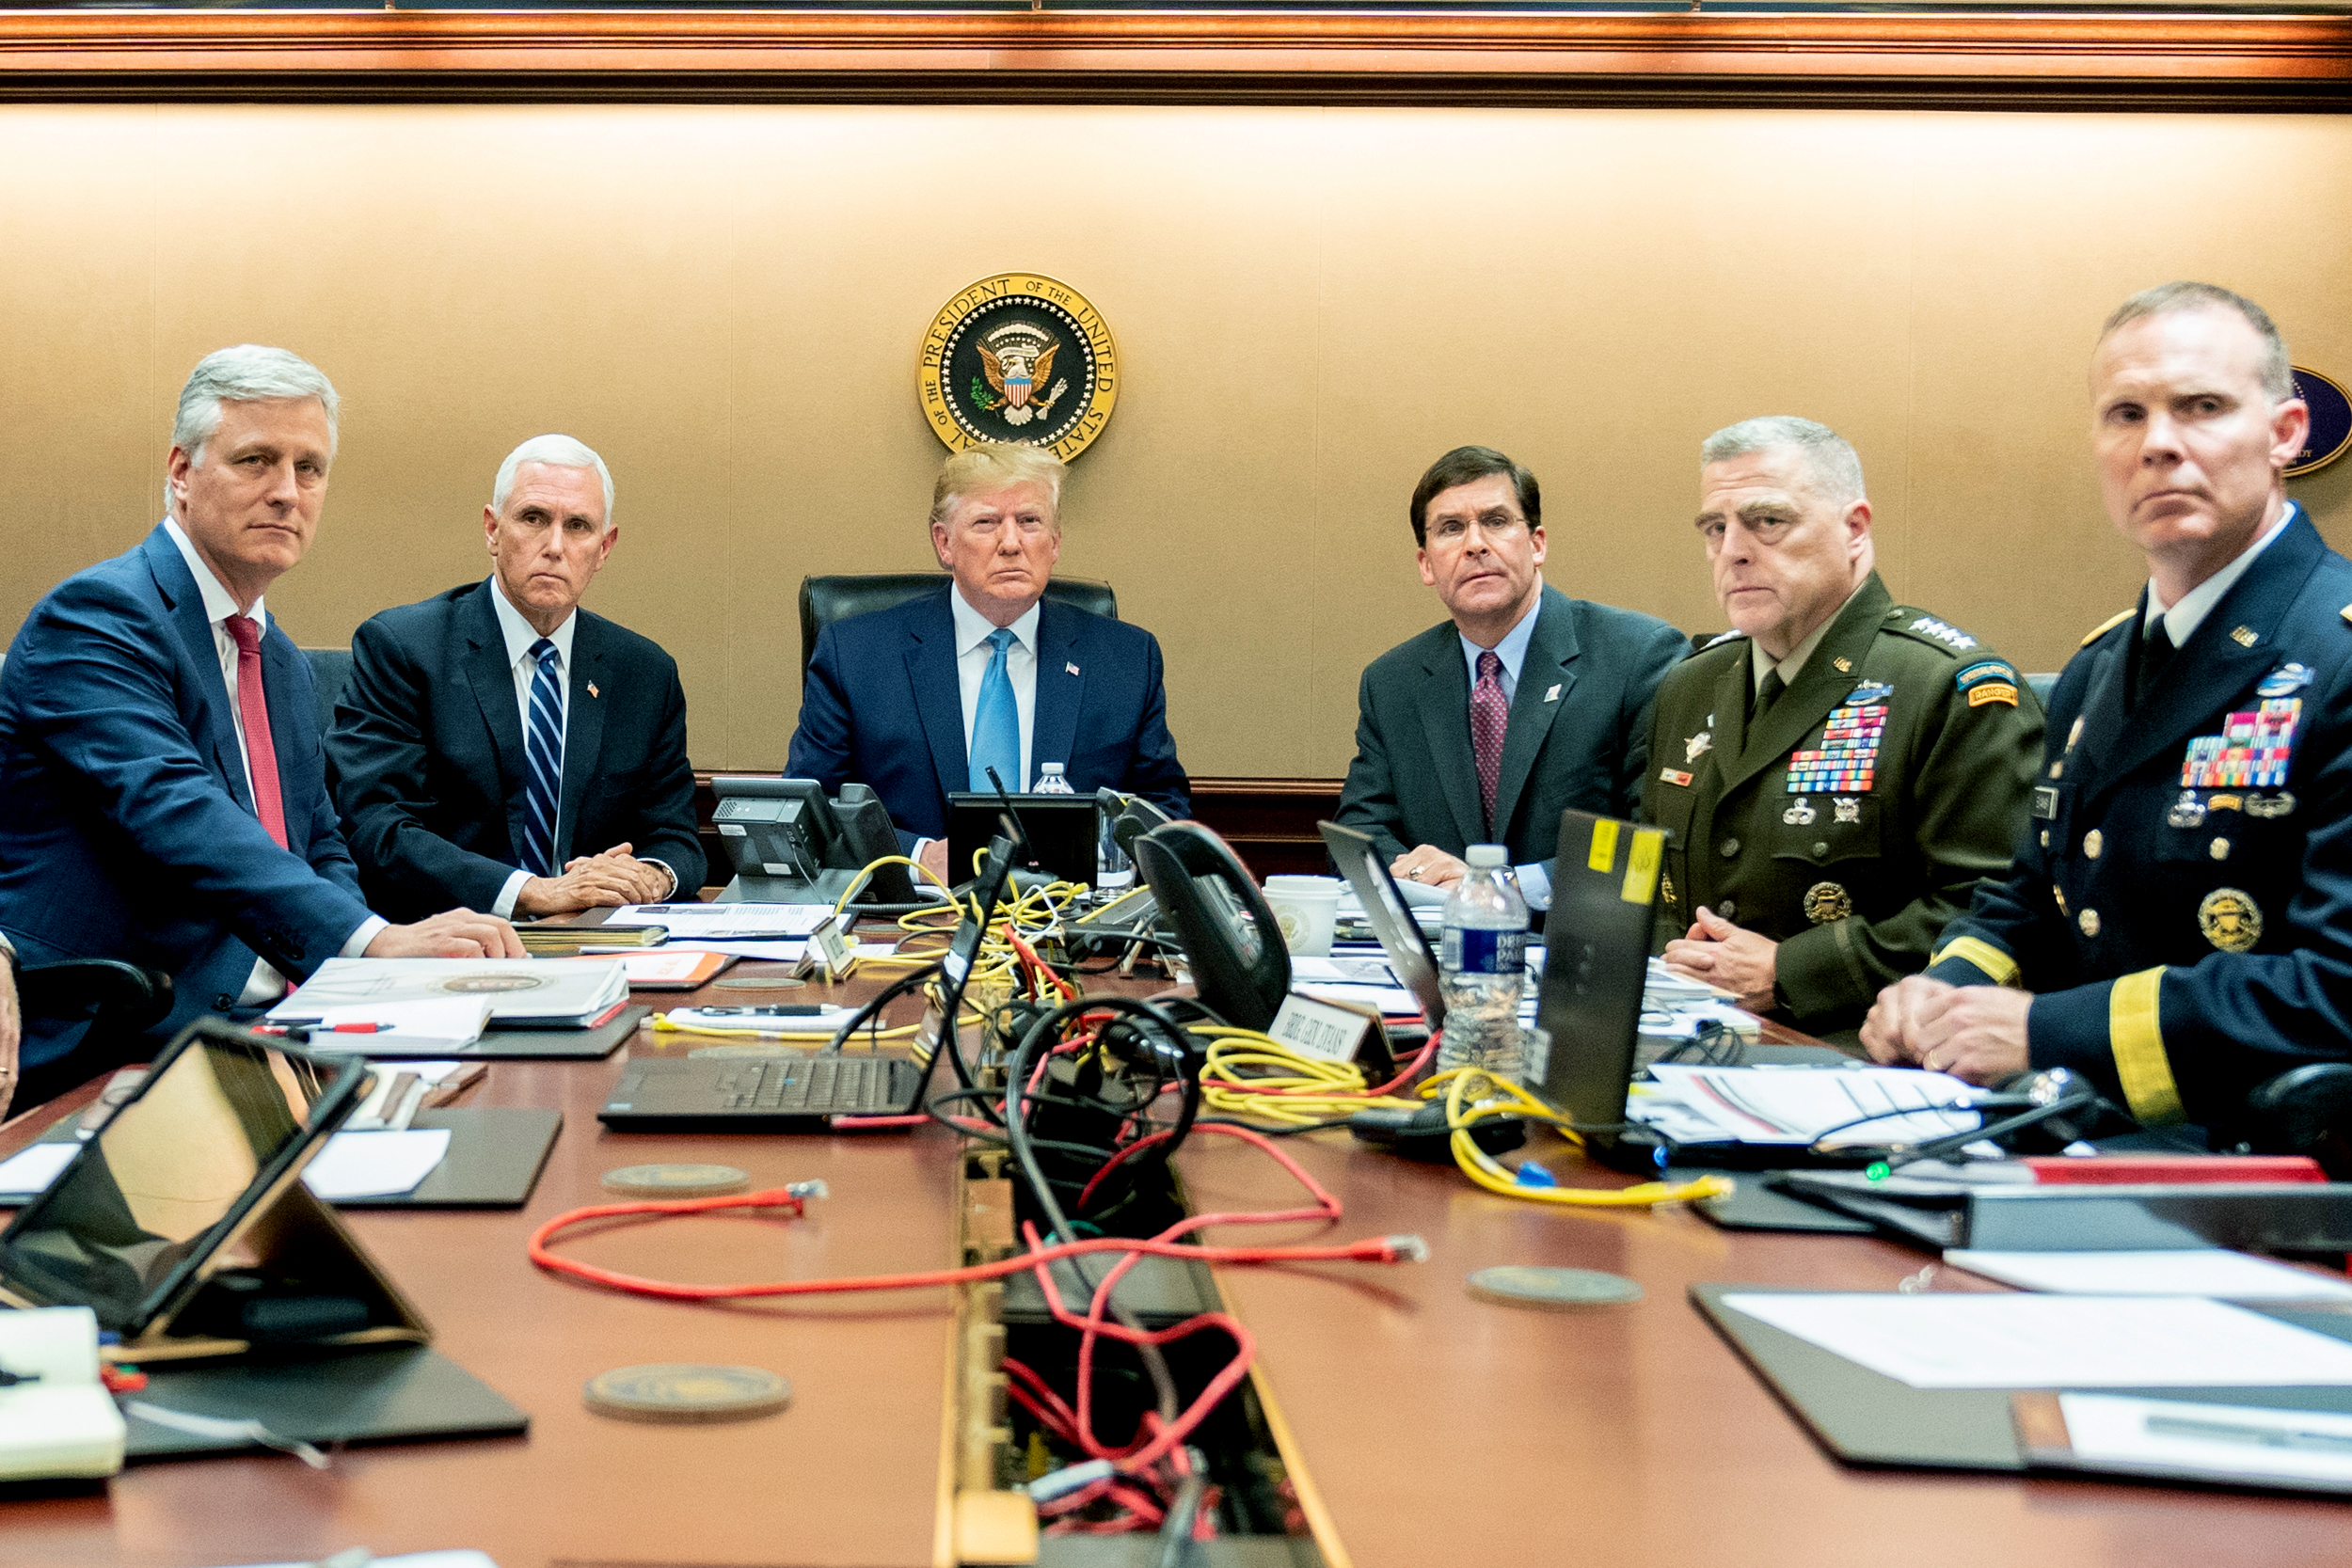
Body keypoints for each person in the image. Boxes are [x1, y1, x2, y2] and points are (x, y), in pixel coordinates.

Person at [1865, 283, 2352, 1131]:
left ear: (2285, 433)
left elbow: (2337, 986)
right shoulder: (2098, 671)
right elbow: (2028, 899)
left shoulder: (2338, 651)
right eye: (2126, 414)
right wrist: (1942, 993)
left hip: (2269, 1174)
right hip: (2083, 1132)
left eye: (2201, 406)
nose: (2159, 444)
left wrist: (2049, 1030)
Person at [0, 345, 522, 1119]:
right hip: (122, 1042)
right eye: (256, 461)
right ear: (180, 472)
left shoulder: (278, 657)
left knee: (510, 1105)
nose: (287, 492)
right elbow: (180, 816)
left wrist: (357, 985)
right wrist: (368, 940)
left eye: (309, 469)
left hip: (275, 1032)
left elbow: (318, 842)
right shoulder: (101, 617)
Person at [1643, 418, 2044, 1037]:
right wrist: (1673, 960)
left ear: (1855, 529)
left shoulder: (1948, 687)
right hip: (1684, 1037)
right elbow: (1649, 876)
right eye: (1716, 528)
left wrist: (1789, 970)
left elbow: (1993, 912)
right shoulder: (1690, 683)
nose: (1734, 550)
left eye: (1768, 521)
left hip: (1857, 1049)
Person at [328, 435, 704, 922]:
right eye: (533, 518)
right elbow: (375, 827)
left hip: (595, 944)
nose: (554, 547)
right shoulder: (404, 648)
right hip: (448, 940)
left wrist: (648, 876)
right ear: (492, 529)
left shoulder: (645, 674)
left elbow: (674, 836)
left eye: (578, 527)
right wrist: (530, 892)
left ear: (604, 547)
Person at [786, 443, 1190, 885]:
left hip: (1070, 928)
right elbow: (812, 811)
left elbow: (1161, 810)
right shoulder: (857, 654)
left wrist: (1105, 856)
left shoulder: (1126, 660)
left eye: (1030, 522)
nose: (1012, 543)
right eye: (987, 523)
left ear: (1055, 543)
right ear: (944, 543)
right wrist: (919, 857)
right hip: (910, 921)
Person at [1333, 445, 1686, 908]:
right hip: (1440, 949)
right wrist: (1425, 883)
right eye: (1451, 529)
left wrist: (1497, 888)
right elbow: (1362, 831)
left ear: (1537, 544)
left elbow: (1657, 840)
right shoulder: (1393, 682)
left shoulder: (1637, 656)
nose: (1475, 544)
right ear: (1425, 564)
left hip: (1577, 949)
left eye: (1496, 522)